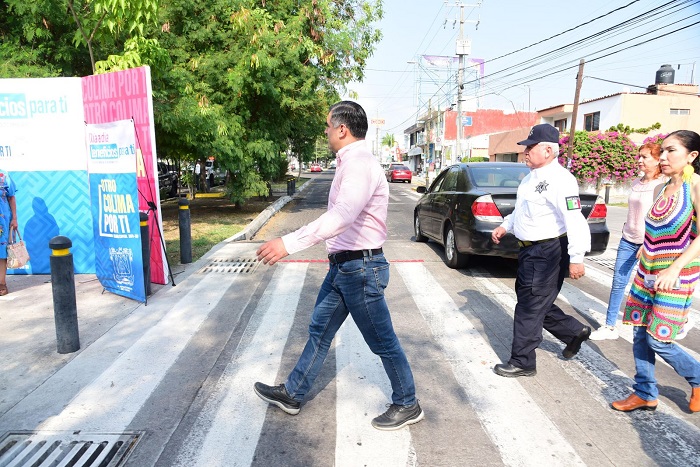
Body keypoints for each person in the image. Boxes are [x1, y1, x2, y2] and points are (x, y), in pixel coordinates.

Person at [253, 101, 423, 430]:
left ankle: (407, 403)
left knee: (382, 341)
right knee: (320, 330)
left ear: (342, 129)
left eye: (329, 126)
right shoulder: (350, 162)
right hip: (345, 268)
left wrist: (288, 243)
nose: (326, 131)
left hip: (360, 269)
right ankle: (293, 392)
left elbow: (342, 217)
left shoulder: (359, 163)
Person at [491, 123, 592, 378]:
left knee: (528, 306)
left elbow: (575, 219)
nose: (525, 152)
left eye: (530, 147)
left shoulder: (561, 180)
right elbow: (521, 211)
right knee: (535, 301)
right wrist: (505, 226)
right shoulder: (528, 179)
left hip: (547, 251)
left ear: (548, 150)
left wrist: (577, 257)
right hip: (528, 251)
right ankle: (573, 331)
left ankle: (523, 361)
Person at [612, 130, 700, 414]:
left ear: (692, 156)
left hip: (676, 276)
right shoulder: (660, 188)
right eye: (661, 151)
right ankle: (645, 393)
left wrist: (675, 267)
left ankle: (697, 377)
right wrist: (645, 250)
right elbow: (657, 228)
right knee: (639, 333)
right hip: (648, 271)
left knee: (658, 338)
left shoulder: (696, 186)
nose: (663, 157)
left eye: (671, 151)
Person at [590, 143, 666, 340]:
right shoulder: (635, 183)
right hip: (627, 239)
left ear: (658, 160)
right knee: (618, 282)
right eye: (639, 156)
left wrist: (648, 242)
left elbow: (663, 218)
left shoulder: (663, 184)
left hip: (650, 243)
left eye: (645, 157)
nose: (639, 160)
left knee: (651, 285)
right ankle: (609, 326)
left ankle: (662, 323)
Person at [0, 168, 18, 296]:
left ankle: (2, 284)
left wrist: (14, 218)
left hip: (3, 221)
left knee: (2, 253)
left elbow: (11, 197)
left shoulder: (4, 175)